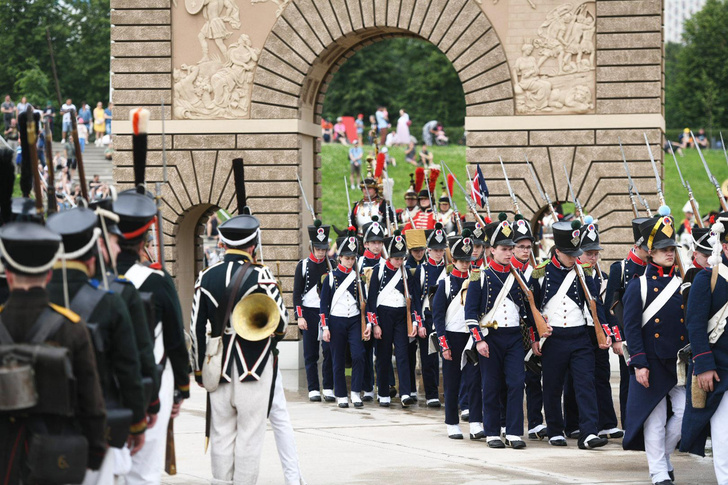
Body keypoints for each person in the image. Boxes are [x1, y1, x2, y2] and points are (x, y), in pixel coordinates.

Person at [191, 210, 297, 484]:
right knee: (250, 437)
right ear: (252, 245)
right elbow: (282, 324)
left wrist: (200, 371)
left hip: (219, 368)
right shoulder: (262, 276)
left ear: (223, 244)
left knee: (221, 435)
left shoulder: (205, 277)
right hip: (256, 366)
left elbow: (195, 329)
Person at [46, 208, 148, 484]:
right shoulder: (110, 301)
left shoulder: (36, 298)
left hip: (41, 430)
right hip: (97, 425)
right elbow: (129, 368)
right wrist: (137, 422)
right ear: (93, 255)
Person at [0, 222, 107, 482]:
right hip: (56, 452)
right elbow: (90, 400)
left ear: (9, 275)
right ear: (48, 275)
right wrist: (95, 449)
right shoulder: (72, 328)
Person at [114, 190, 190, 485]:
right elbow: (174, 341)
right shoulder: (157, 283)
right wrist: (180, 388)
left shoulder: (93, 281)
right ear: (145, 240)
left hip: (101, 388)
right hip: (151, 383)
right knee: (144, 473)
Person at [529, 220, 610, 449]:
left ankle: (588, 433)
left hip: (580, 337)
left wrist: (604, 332)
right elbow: (531, 307)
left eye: (577, 253)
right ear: (558, 251)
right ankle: (555, 429)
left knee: (586, 384)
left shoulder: (584, 273)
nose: (575, 257)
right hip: (553, 338)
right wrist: (535, 336)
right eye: (570, 254)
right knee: (553, 386)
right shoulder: (540, 273)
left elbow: (596, 305)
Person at [623, 212, 686, 485]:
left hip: (678, 362)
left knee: (686, 413)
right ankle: (658, 471)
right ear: (650, 253)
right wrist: (639, 363)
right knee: (655, 420)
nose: (669, 254)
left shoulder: (683, 284)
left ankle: (664, 457)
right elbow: (632, 328)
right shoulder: (639, 285)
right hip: (650, 361)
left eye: (672, 249)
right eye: (663, 250)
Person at [465, 214, 534, 449]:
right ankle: (492, 431)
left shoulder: (519, 276)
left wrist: (534, 337)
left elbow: (527, 310)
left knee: (516, 383)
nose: (508, 252)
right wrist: (479, 340)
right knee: (491, 385)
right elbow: (470, 313)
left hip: (514, 337)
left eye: (510, 248)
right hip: (490, 338)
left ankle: (514, 432)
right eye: (504, 249)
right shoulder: (479, 276)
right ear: (491, 250)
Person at [563, 219, 622, 440]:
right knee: (576, 379)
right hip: (578, 331)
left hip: (599, 333)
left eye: (596, 253)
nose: (594, 258)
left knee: (601, 376)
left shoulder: (602, 278)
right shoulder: (570, 277)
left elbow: (610, 311)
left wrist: (614, 336)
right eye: (589, 254)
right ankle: (573, 423)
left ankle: (606, 422)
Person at [681, 212, 728, 485]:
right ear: (724, 245)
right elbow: (696, 327)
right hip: (720, 369)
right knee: (723, 436)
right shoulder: (707, 279)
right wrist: (704, 366)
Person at [434, 230, 482, 439]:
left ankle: (476, 422)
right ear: (454, 260)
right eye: (461, 260)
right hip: (452, 337)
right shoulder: (445, 283)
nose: (465, 264)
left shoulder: (478, 280)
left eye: (467, 260)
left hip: (471, 337)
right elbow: (437, 317)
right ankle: (452, 422)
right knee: (452, 382)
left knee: (474, 381)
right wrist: (443, 344)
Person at [604, 217, 651, 429]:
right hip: (627, 334)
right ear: (636, 246)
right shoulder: (620, 269)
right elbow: (611, 306)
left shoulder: (654, 268)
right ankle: (628, 425)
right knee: (628, 382)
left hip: (650, 332)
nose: (649, 251)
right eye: (645, 247)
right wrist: (617, 338)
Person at [367, 230, 421, 407]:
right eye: (396, 258)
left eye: (401, 258)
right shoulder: (379, 271)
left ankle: (405, 392)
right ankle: (383, 392)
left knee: (403, 354)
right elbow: (372, 300)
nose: (399, 262)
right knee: (383, 356)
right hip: (383, 316)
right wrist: (374, 324)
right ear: (389, 257)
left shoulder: (406, 273)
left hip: (401, 316)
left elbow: (412, 299)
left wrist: (414, 320)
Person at [320, 228, 368, 408]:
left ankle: (355, 392)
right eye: (347, 258)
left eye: (352, 258)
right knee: (337, 358)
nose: (350, 261)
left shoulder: (358, 278)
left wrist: (369, 323)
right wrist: (325, 327)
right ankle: (340, 393)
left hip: (354, 320)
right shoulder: (331, 278)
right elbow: (323, 305)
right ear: (340, 257)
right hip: (336, 321)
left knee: (359, 355)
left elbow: (365, 302)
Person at [294, 219, 335, 402]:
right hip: (309, 312)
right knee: (310, 353)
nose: (321, 252)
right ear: (312, 248)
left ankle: (328, 387)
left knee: (328, 351)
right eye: (318, 249)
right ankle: (313, 388)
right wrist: (299, 316)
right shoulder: (302, 266)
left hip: (326, 313)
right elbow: (296, 294)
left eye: (324, 249)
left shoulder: (331, 265)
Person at [412, 224, 449, 407]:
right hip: (428, 318)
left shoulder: (449, 269)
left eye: (441, 250)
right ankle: (432, 394)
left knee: (449, 358)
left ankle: (450, 394)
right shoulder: (422, 270)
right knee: (429, 360)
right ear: (428, 250)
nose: (439, 253)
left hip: (446, 319)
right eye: (435, 250)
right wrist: (419, 323)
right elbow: (417, 300)